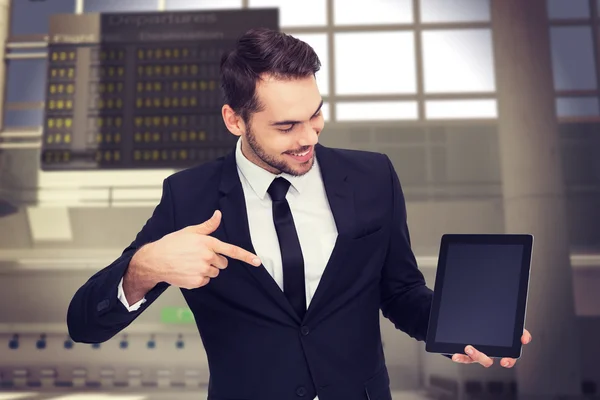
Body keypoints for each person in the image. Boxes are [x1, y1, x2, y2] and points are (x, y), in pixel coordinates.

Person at [67, 27, 532, 400]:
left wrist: (453, 328)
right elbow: (84, 323)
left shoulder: (373, 176)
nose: (309, 136)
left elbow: (401, 290)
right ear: (235, 121)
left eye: (316, 115)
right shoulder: (188, 197)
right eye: (286, 126)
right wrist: (144, 268)